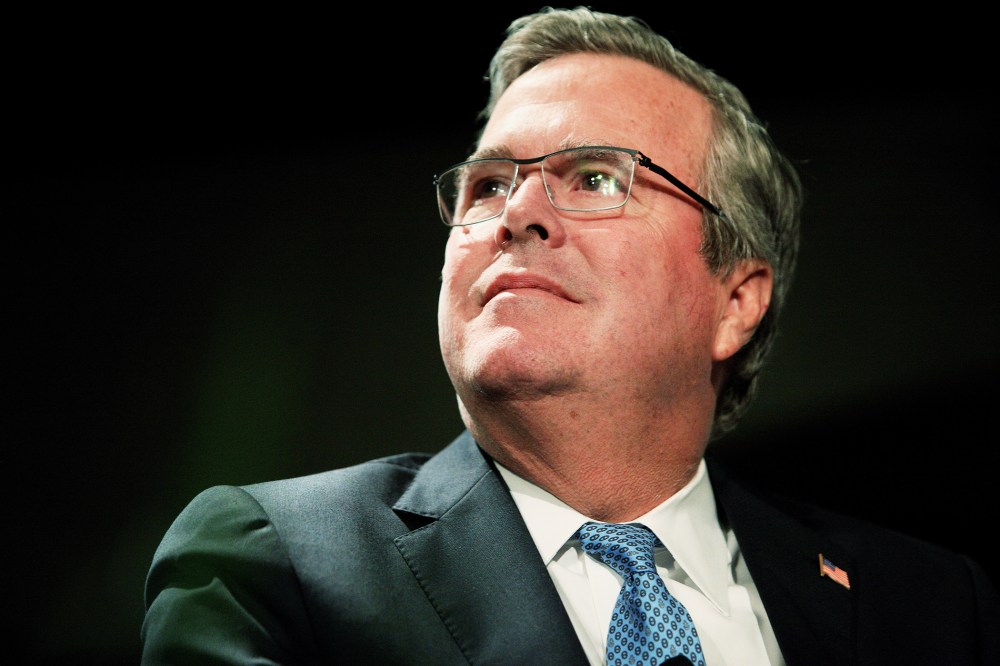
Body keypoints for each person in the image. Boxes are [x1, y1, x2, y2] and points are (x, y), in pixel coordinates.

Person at [140, 7, 999, 665]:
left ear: (736, 300)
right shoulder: (275, 566)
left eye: (593, 177)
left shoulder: (925, 605)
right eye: (487, 184)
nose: (516, 214)